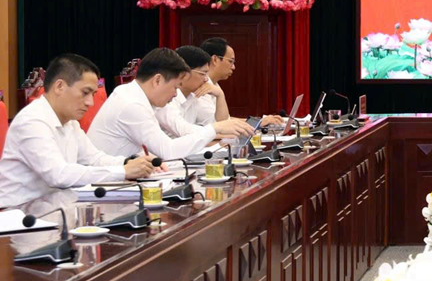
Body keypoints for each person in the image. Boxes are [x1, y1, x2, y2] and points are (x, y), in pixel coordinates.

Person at [0, 54, 155, 208]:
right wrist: (123, 171)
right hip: (19, 213)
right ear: (59, 86)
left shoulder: (70, 122)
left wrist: (130, 163)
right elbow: (59, 175)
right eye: (85, 92)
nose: (90, 102)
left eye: (93, 94)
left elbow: (94, 159)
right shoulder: (31, 121)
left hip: (56, 207)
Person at [88, 47, 254, 161]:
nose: (175, 94)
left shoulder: (140, 96)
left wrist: (217, 129)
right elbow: (168, 150)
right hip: (109, 185)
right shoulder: (132, 104)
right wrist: (214, 129)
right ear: (157, 80)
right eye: (174, 87)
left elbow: (179, 134)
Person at [184, 37, 284, 127]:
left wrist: (258, 122)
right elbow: (218, 124)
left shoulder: (214, 85)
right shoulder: (199, 86)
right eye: (230, 61)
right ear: (215, 59)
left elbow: (225, 120)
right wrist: (258, 123)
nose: (233, 67)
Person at [155, 46, 220, 138]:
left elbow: (213, 122)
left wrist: (220, 95)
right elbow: (182, 130)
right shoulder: (167, 98)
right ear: (184, 73)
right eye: (203, 73)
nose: (206, 79)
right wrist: (217, 129)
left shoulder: (194, 97)